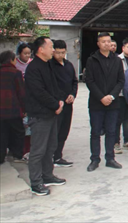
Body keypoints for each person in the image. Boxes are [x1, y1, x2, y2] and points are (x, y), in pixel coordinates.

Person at [24, 37, 66, 196]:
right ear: (41, 50)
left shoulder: (48, 65)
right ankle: (36, 183)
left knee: (50, 147)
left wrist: (59, 101)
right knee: (38, 150)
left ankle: (47, 175)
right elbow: (39, 92)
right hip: (40, 115)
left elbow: (54, 87)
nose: (53, 50)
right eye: (50, 47)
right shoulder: (33, 68)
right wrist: (55, 105)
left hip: (51, 113)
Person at [85, 32, 125, 172]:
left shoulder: (117, 60)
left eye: (108, 41)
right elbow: (89, 81)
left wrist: (112, 96)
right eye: (103, 41)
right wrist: (101, 97)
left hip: (113, 103)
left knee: (111, 131)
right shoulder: (92, 60)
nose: (107, 44)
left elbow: (121, 80)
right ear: (98, 44)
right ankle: (95, 159)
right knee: (95, 132)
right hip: (96, 102)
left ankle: (110, 158)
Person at [50, 40, 77, 168]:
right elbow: (52, 85)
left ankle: (58, 156)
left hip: (68, 104)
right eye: (58, 52)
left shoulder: (69, 65)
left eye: (63, 52)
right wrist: (61, 98)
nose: (60, 55)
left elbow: (74, 82)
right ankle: (50, 156)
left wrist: (72, 94)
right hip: (56, 104)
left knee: (64, 130)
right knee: (54, 131)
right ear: (53, 52)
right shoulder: (50, 66)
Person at [0, 51, 27, 164]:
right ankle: (17, 155)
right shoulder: (16, 73)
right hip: (13, 109)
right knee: (18, 132)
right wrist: (24, 109)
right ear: (11, 60)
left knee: (2, 133)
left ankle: (1, 157)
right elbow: (21, 93)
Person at [116, 38, 128, 154]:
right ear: (123, 48)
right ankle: (116, 142)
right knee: (117, 119)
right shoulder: (117, 60)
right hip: (119, 95)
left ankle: (127, 139)